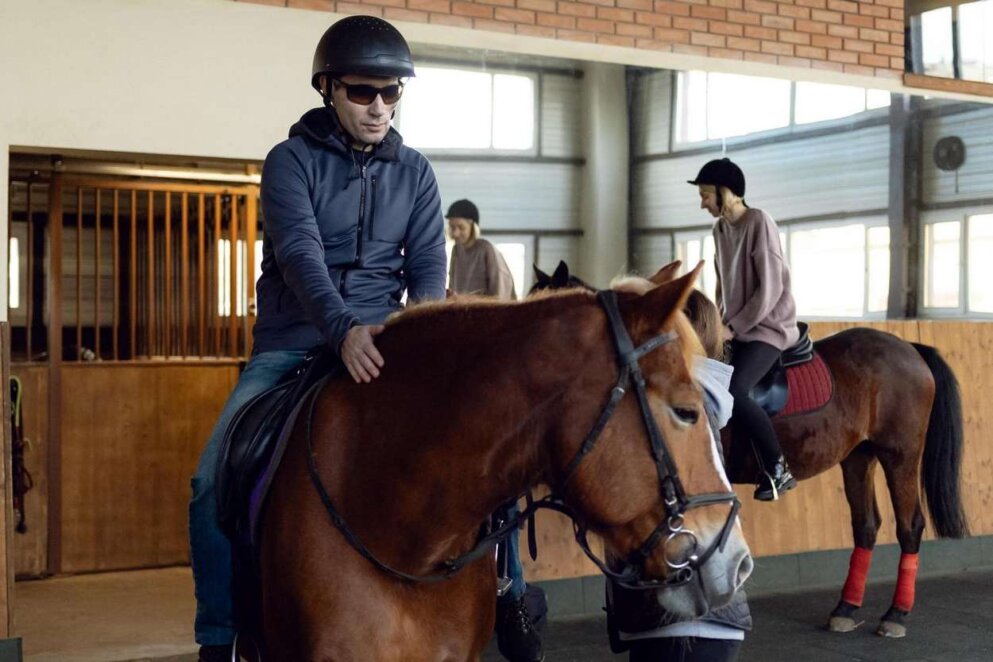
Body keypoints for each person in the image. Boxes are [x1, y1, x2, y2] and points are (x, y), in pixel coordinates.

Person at [188, 16, 448, 662]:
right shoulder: (289, 163)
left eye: (392, 93)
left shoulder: (416, 174)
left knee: (472, 446)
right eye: (364, 92)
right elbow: (300, 256)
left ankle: (511, 596)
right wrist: (341, 331)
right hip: (293, 345)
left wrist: (424, 343)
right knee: (207, 480)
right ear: (328, 88)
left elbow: (427, 269)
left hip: (384, 347)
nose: (379, 106)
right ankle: (217, 637)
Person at [608, 289, 751, 662]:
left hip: (679, 607)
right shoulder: (699, 402)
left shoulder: (682, 405)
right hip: (694, 612)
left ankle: (776, 468)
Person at [445, 199, 541, 662]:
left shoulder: (485, 252)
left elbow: (502, 302)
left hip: (489, 352)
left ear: (473, 224)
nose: (455, 232)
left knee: (503, 491)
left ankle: (512, 595)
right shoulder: (455, 254)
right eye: (452, 226)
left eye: (460, 225)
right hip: (461, 353)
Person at [688, 157, 799, 502]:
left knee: (735, 388)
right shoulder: (719, 230)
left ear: (727, 193)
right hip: (735, 328)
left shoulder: (759, 222)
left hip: (769, 329)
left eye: (706, 194)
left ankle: (778, 467)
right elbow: (722, 284)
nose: (703, 202)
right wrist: (717, 323)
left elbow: (769, 289)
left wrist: (734, 326)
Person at [446, 199, 517, 300]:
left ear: (473, 227)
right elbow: (453, 287)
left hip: (489, 312)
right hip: (463, 312)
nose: (455, 233)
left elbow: (501, 294)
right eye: (452, 227)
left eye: (461, 227)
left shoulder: (486, 249)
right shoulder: (456, 250)